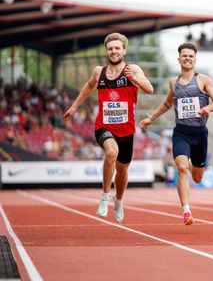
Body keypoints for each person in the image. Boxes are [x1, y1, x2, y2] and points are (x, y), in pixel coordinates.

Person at [64, 33, 153, 223]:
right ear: (107, 51)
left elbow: (149, 88)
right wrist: (74, 107)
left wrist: (135, 80)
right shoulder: (99, 72)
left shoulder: (132, 69)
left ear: (124, 50)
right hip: (104, 125)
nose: (113, 51)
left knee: (122, 170)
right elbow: (88, 87)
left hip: (126, 129)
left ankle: (119, 201)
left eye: (117, 48)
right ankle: (105, 195)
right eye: (110, 48)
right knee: (111, 153)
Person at [140, 42, 213, 225]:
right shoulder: (173, 83)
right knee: (182, 169)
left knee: (198, 177)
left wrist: (207, 108)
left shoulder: (203, 80)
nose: (187, 58)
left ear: (195, 59)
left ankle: (192, 162)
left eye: (191, 56)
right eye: (184, 56)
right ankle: (186, 211)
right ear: (179, 59)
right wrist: (151, 118)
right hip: (181, 133)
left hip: (200, 134)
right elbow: (167, 103)